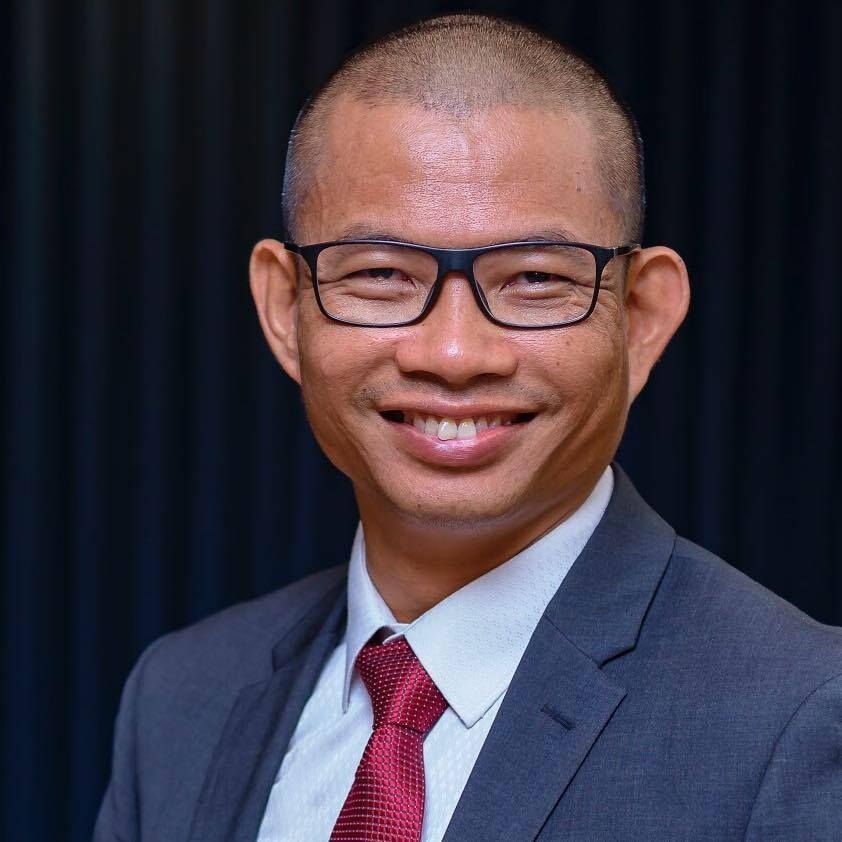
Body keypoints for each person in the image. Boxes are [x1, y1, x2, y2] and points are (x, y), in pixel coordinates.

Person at [94, 13, 842, 842]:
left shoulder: (800, 717)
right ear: (284, 307)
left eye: (534, 279)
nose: (453, 354)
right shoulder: (181, 699)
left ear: (639, 317)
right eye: (381, 273)